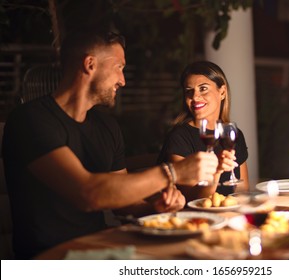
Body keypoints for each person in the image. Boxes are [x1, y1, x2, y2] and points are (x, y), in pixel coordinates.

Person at [1, 28, 218, 260]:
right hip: (49, 259)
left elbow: (123, 202)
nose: (123, 81)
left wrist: (155, 205)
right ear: (90, 64)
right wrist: (173, 172)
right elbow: (88, 193)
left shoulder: (107, 126)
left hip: (101, 248)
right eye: (119, 67)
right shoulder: (30, 120)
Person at [157, 61, 249, 201]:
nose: (195, 97)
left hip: (227, 216)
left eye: (203, 88)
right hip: (194, 218)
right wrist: (217, 171)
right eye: (189, 91)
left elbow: (242, 190)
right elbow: (190, 197)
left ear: (222, 92)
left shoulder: (233, 134)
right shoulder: (179, 137)